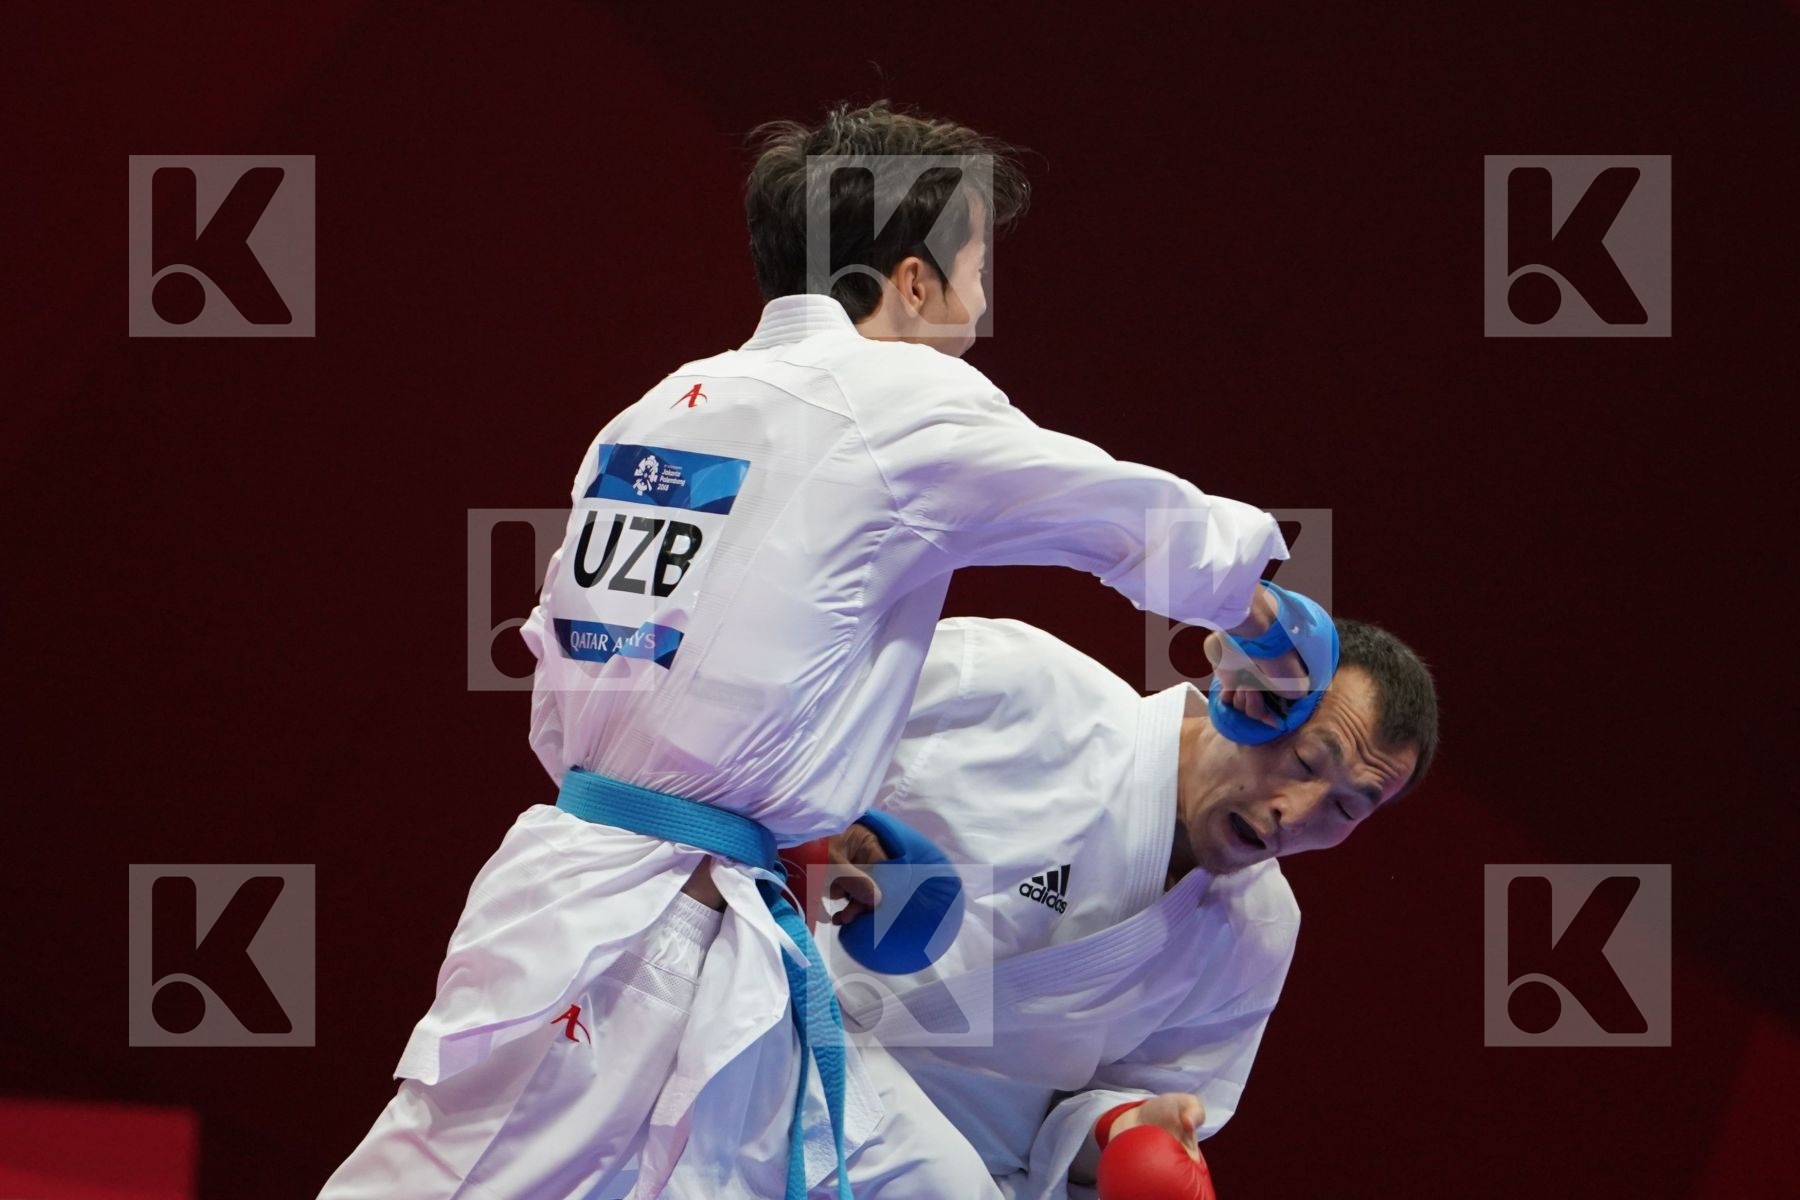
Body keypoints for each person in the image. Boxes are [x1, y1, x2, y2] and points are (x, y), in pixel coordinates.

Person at [319, 101, 1310, 1200]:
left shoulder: (660, 408)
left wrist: (792, 825)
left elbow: (579, 684)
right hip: (636, 928)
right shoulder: (895, 394)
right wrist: (1255, 604)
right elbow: (1109, 509)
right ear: (915, 279)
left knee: (926, 1185)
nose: (986, 300)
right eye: (980, 258)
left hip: (679, 903)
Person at [714, 614, 1436, 1199]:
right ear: (1249, 696)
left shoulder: (1260, 934)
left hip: (937, 1174)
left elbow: (1089, 1131)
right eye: (1308, 763)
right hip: (752, 1051)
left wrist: (1127, 1132)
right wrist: (813, 832)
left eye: (1344, 808)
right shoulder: (1018, 687)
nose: (1296, 813)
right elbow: (771, 732)